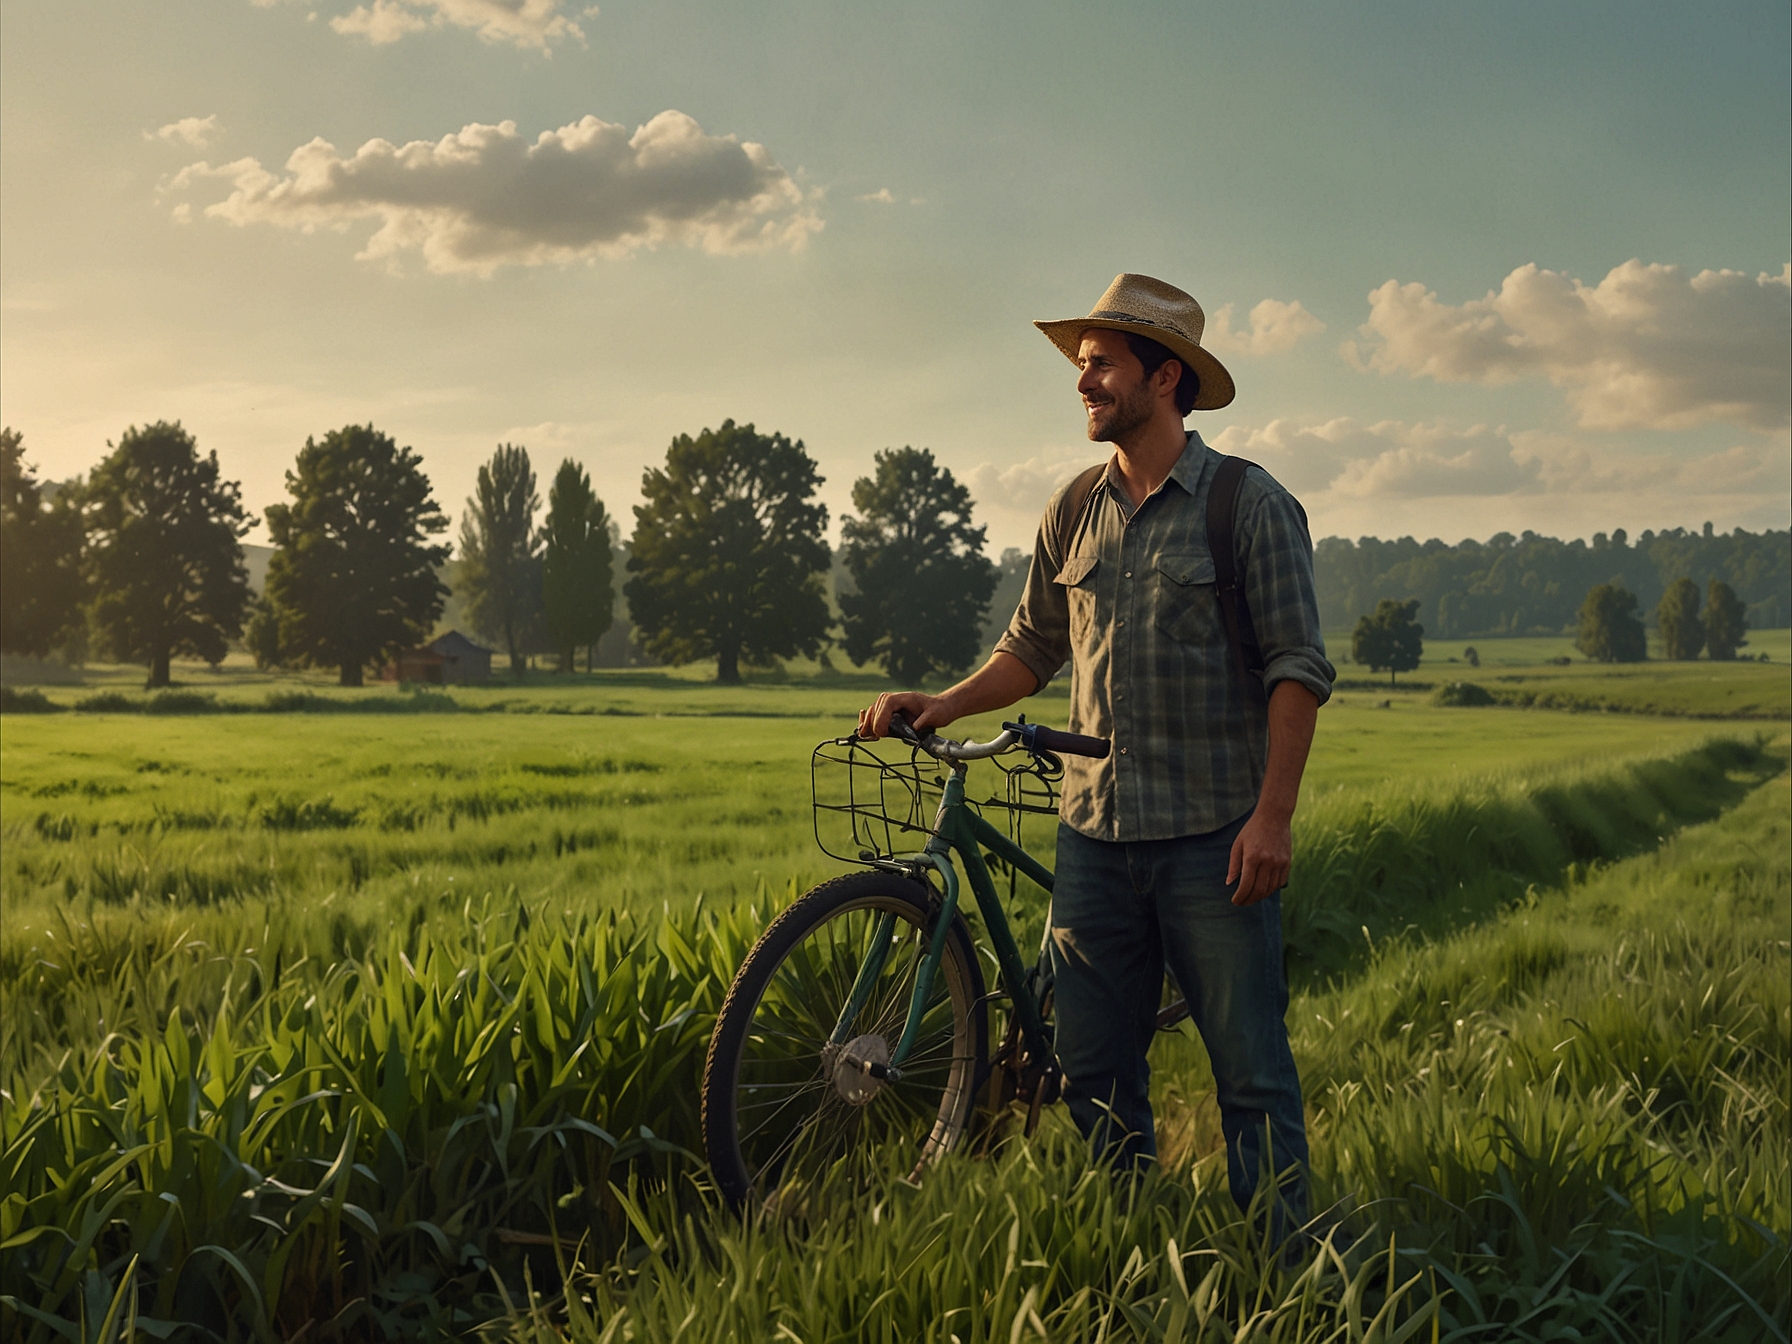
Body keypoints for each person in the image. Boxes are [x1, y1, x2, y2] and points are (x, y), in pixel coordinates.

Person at [858, 273, 1334, 1227]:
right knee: (1093, 1075)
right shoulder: (1073, 507)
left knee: (1249, 1071)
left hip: (1213, 840)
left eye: (1102, 365)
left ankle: (1292, 1275)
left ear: (1165, 378)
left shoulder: (1247, 504)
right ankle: (1129, 1246)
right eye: (1082, 367)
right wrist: (945, 703)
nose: (1084, 383)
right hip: (1095, 842)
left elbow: (1297, 668)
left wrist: (1272, 817)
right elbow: (1032, 646)